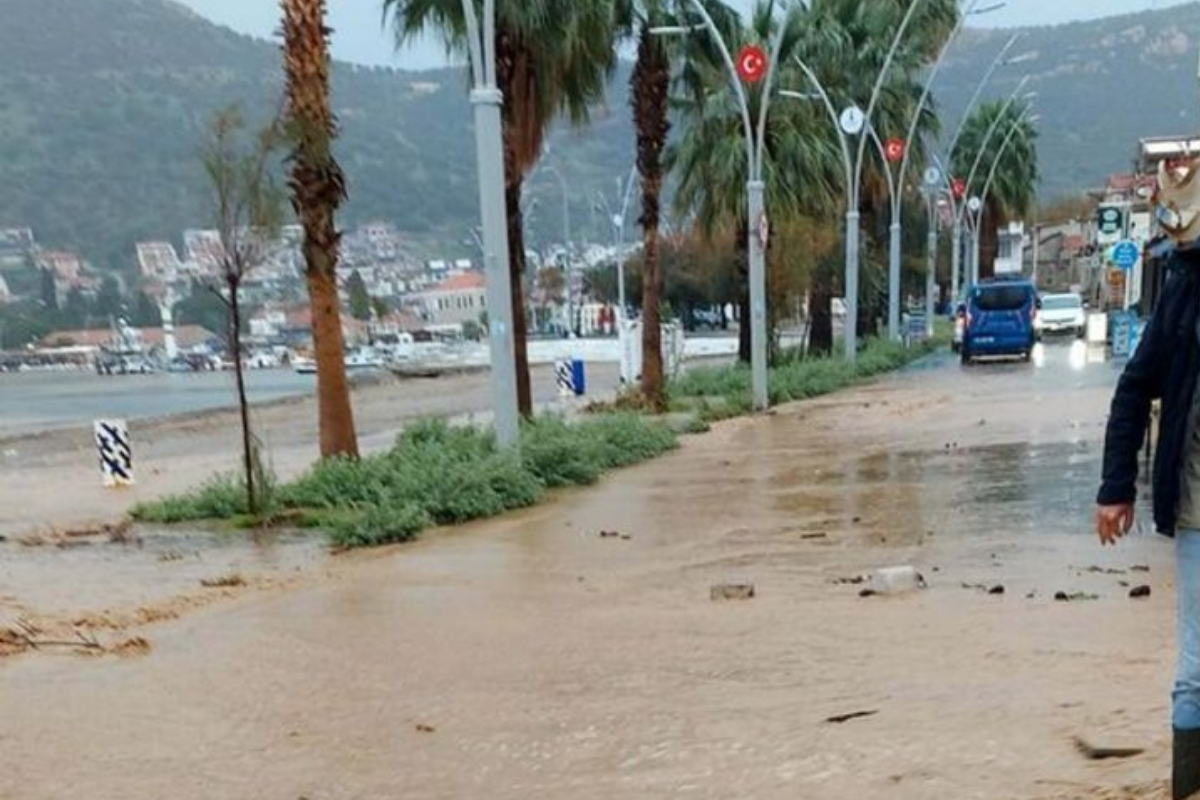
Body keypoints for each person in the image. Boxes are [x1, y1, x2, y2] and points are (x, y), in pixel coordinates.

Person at [1097, 157, 1200, 799]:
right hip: (1198, 507)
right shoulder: (1184, 290)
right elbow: (1135, 388)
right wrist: (1115, 488)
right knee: (1196, 670)